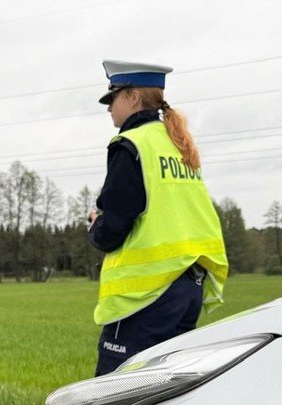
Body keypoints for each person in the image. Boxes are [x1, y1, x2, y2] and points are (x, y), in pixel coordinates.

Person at [87, 60, 229, 376]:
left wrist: (96, 225)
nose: (109, 107)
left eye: (113, 98)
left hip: (146, 297)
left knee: (115, 396)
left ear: (133, 97)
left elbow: (113, 229)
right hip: (187, 288)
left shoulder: (132, 144)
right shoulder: (177, 144)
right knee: (165, 391)